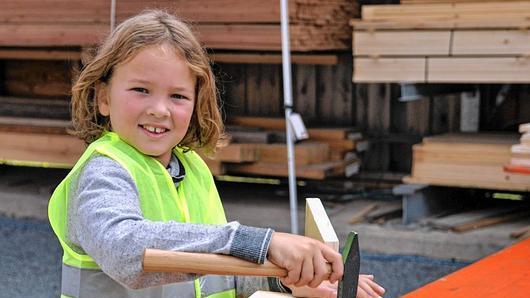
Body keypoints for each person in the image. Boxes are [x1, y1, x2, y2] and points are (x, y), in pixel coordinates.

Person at [48, 10, 386, 298]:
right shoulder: (104, 173)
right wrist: (260, 242)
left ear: (196, 104)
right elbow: (125, 250)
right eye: (141, 90)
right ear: (103, 98)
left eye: (178, 96)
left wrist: (286, 281)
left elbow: (211, 272)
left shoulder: (191, 170)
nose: (160, 109)